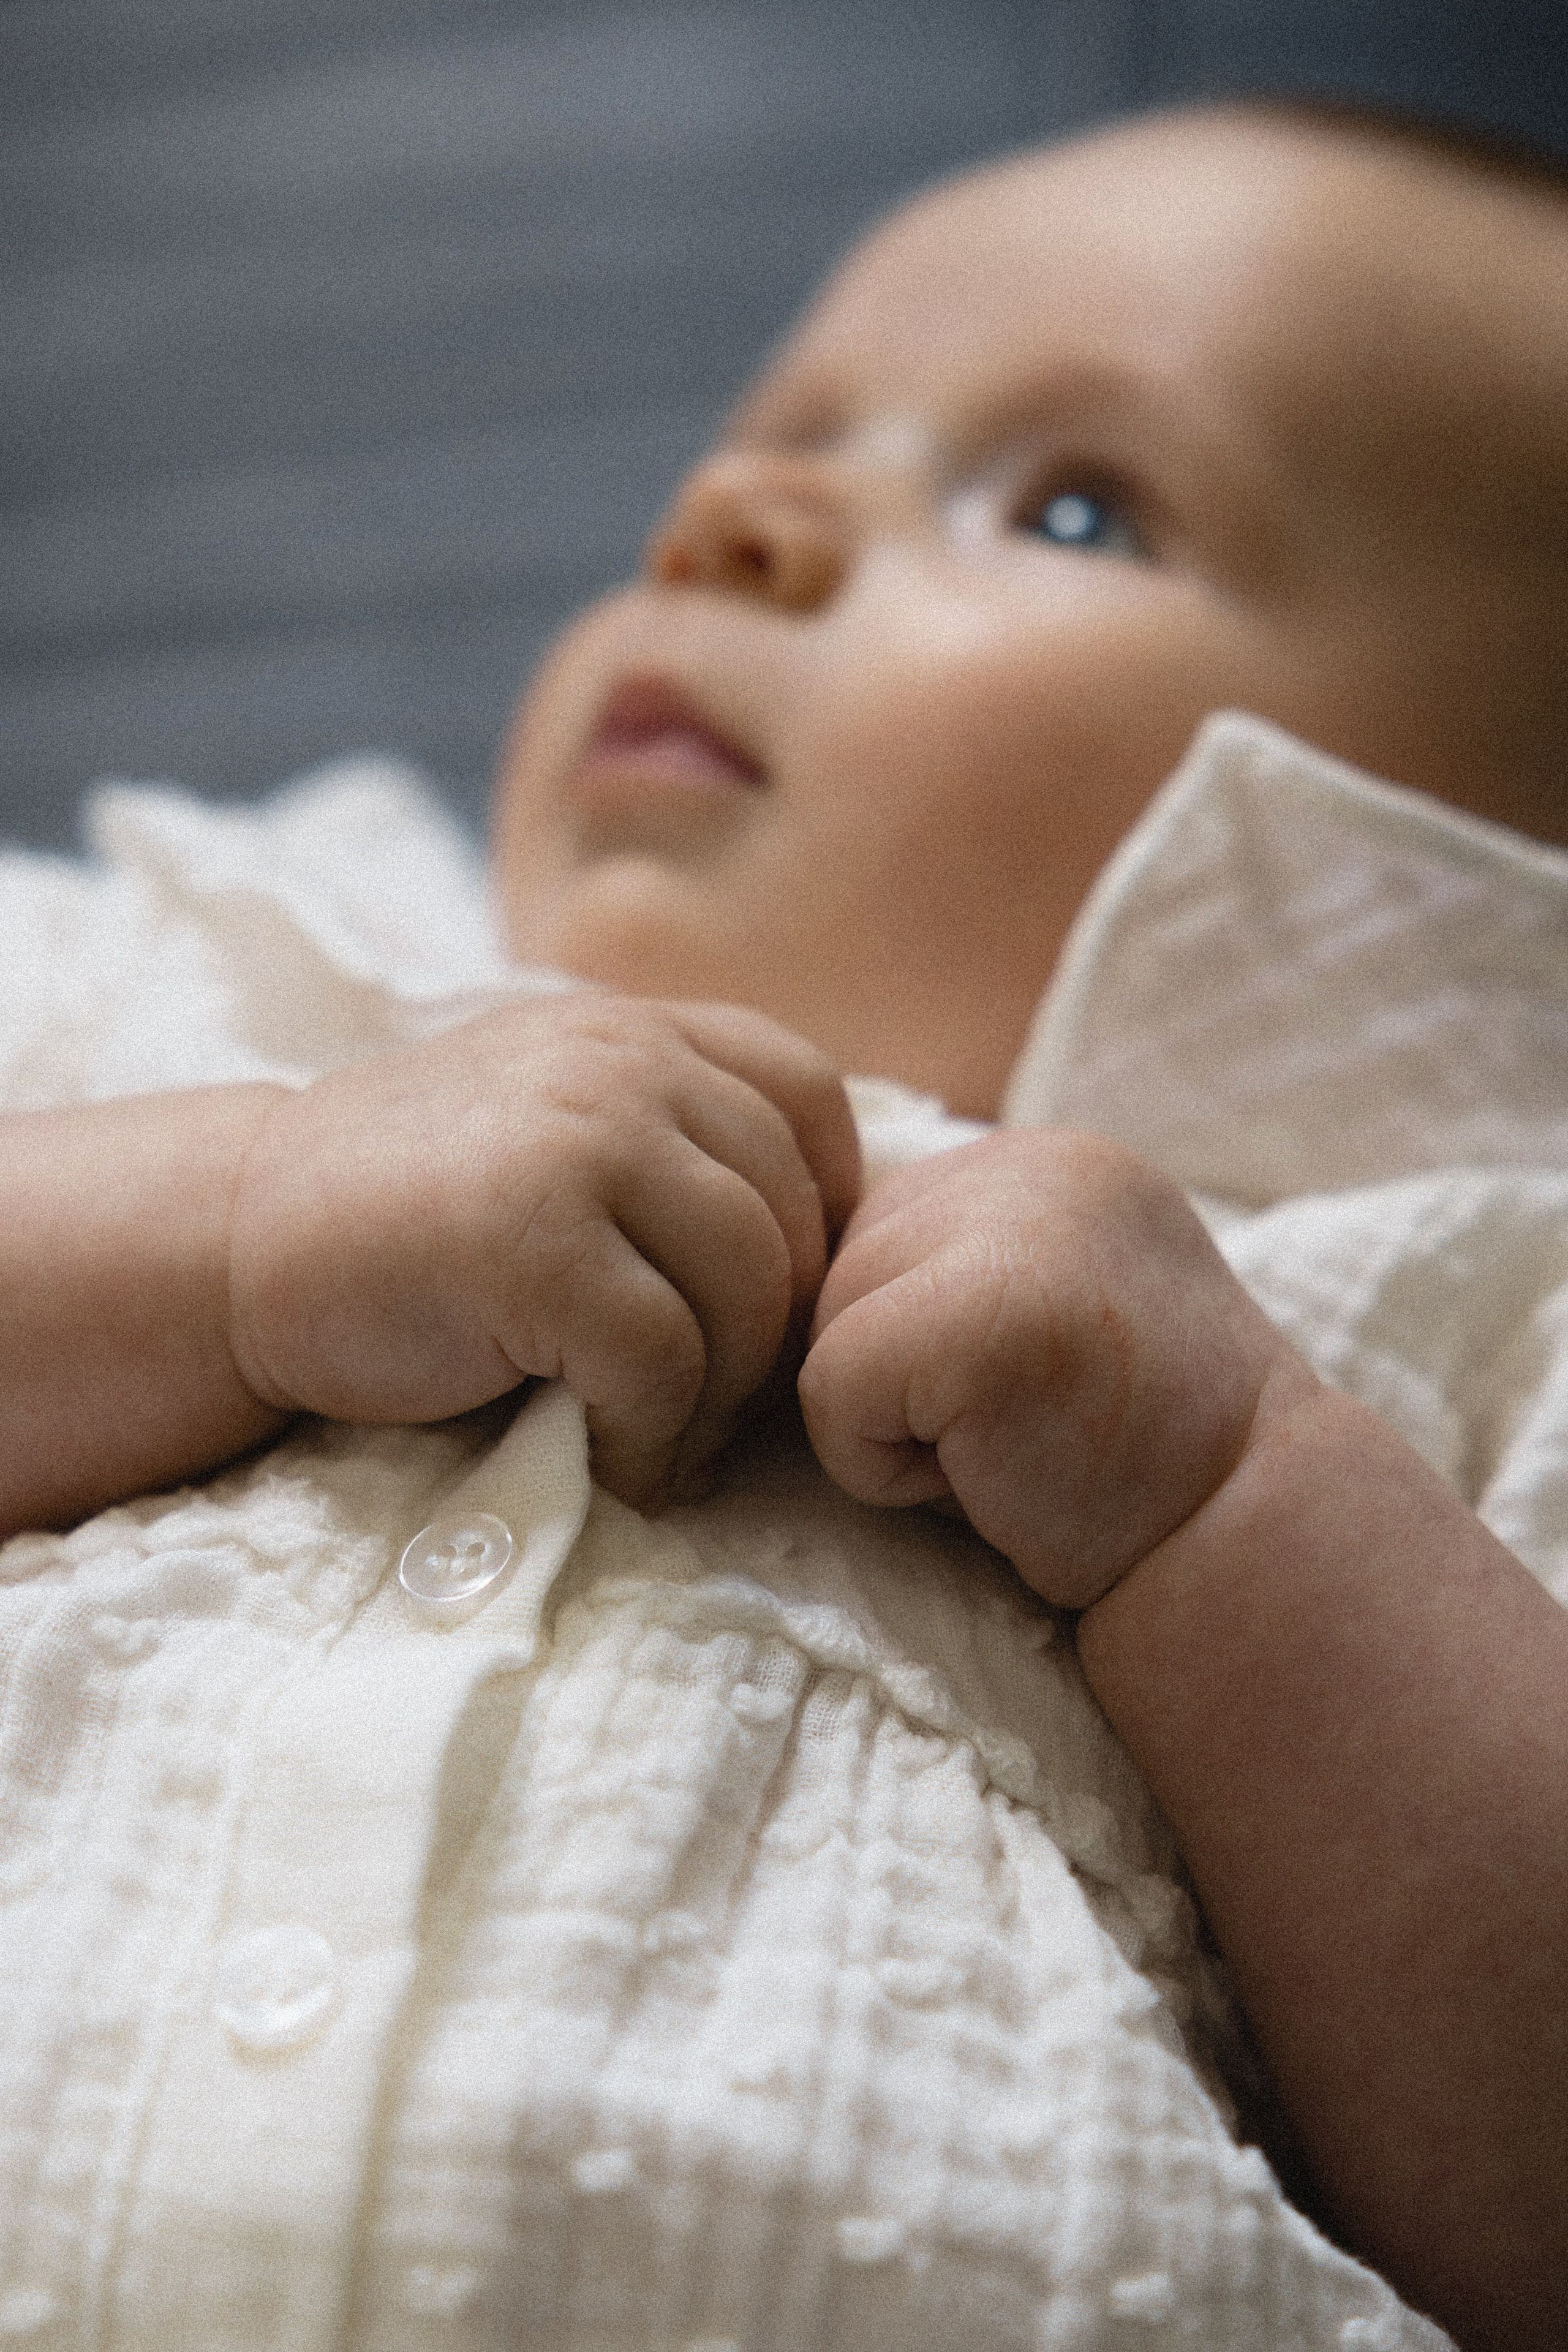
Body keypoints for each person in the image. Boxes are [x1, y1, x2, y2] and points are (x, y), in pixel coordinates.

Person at [2, 101, 1567, 2352]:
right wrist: (240, 1219)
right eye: (774, 438)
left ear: (1427, 906)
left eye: (1070, 502)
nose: (745, 517)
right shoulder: (211, 956)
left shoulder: (1469, 1299)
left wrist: (1234, 1497)